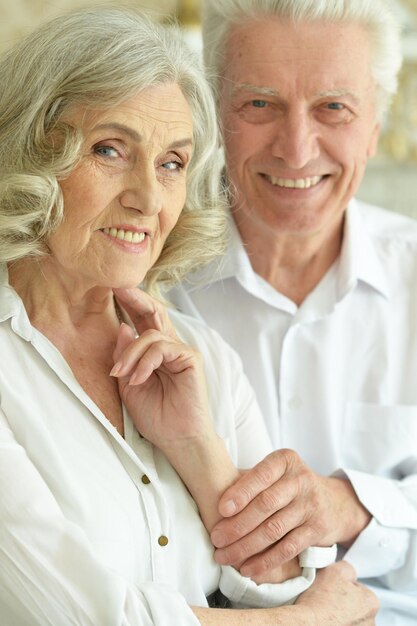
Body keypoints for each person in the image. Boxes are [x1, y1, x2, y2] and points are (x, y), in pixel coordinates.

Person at [0, 6, 379, 626]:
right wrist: (307, 623)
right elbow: (81, 617)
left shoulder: (202, 357)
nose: (149, 197)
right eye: (110, 149)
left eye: (172, 163)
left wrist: (198, 451)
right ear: (29, 153)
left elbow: (286, 580)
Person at [170, 0, 417, 624]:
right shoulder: (145, 290)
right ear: (214, 113)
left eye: (333, 107)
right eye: (260, 104)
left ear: (376, 120)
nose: (297, 150)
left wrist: (356, 507)